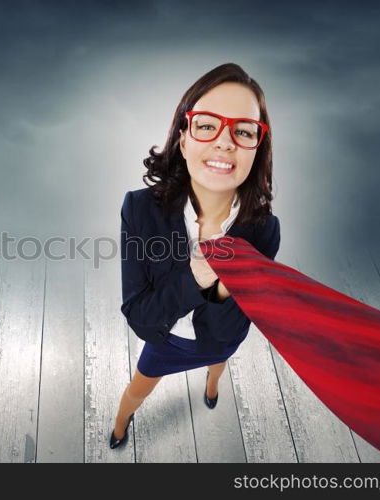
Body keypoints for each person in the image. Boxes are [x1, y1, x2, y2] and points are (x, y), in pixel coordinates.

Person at [110, 62, 281, 449]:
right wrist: (199, 275)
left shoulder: (265, 230)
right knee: (138, 389)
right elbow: (140, 316)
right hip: (166, 340)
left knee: (218, 363)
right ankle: (120, 425)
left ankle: (212, 384)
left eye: (243, 131)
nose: (225, 141)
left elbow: (243, 314)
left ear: (257, 149)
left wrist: (224, 289)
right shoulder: (138, 209)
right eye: (207, 124)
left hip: (220, 340)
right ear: (184, 139)